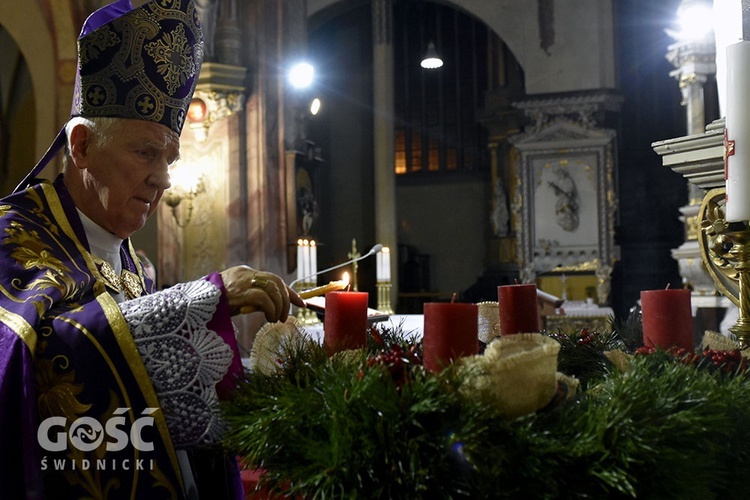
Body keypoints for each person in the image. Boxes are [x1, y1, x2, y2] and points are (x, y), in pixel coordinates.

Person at [0, 1, 304, 498]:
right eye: (144, 152)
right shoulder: (10, 236)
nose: (163, 178)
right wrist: (196, 305)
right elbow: (26, 373)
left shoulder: (136, 264)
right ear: (80, 146)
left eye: (170, 156)